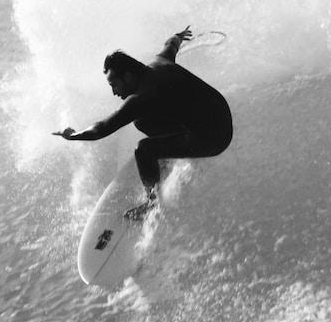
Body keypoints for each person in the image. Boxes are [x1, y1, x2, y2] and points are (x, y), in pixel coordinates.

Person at [54, 26, 233, 218]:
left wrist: (72, 135)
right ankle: (171, 148)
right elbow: (171, 44)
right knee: (143, 122)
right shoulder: (160, 61)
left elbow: (102, 128)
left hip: (214, 139)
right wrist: (179, 36)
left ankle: (152, 204)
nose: (114, 92)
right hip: (221, 117)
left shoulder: (142, 97)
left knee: (144, 150)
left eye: (115, 84)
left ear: (128, 76)